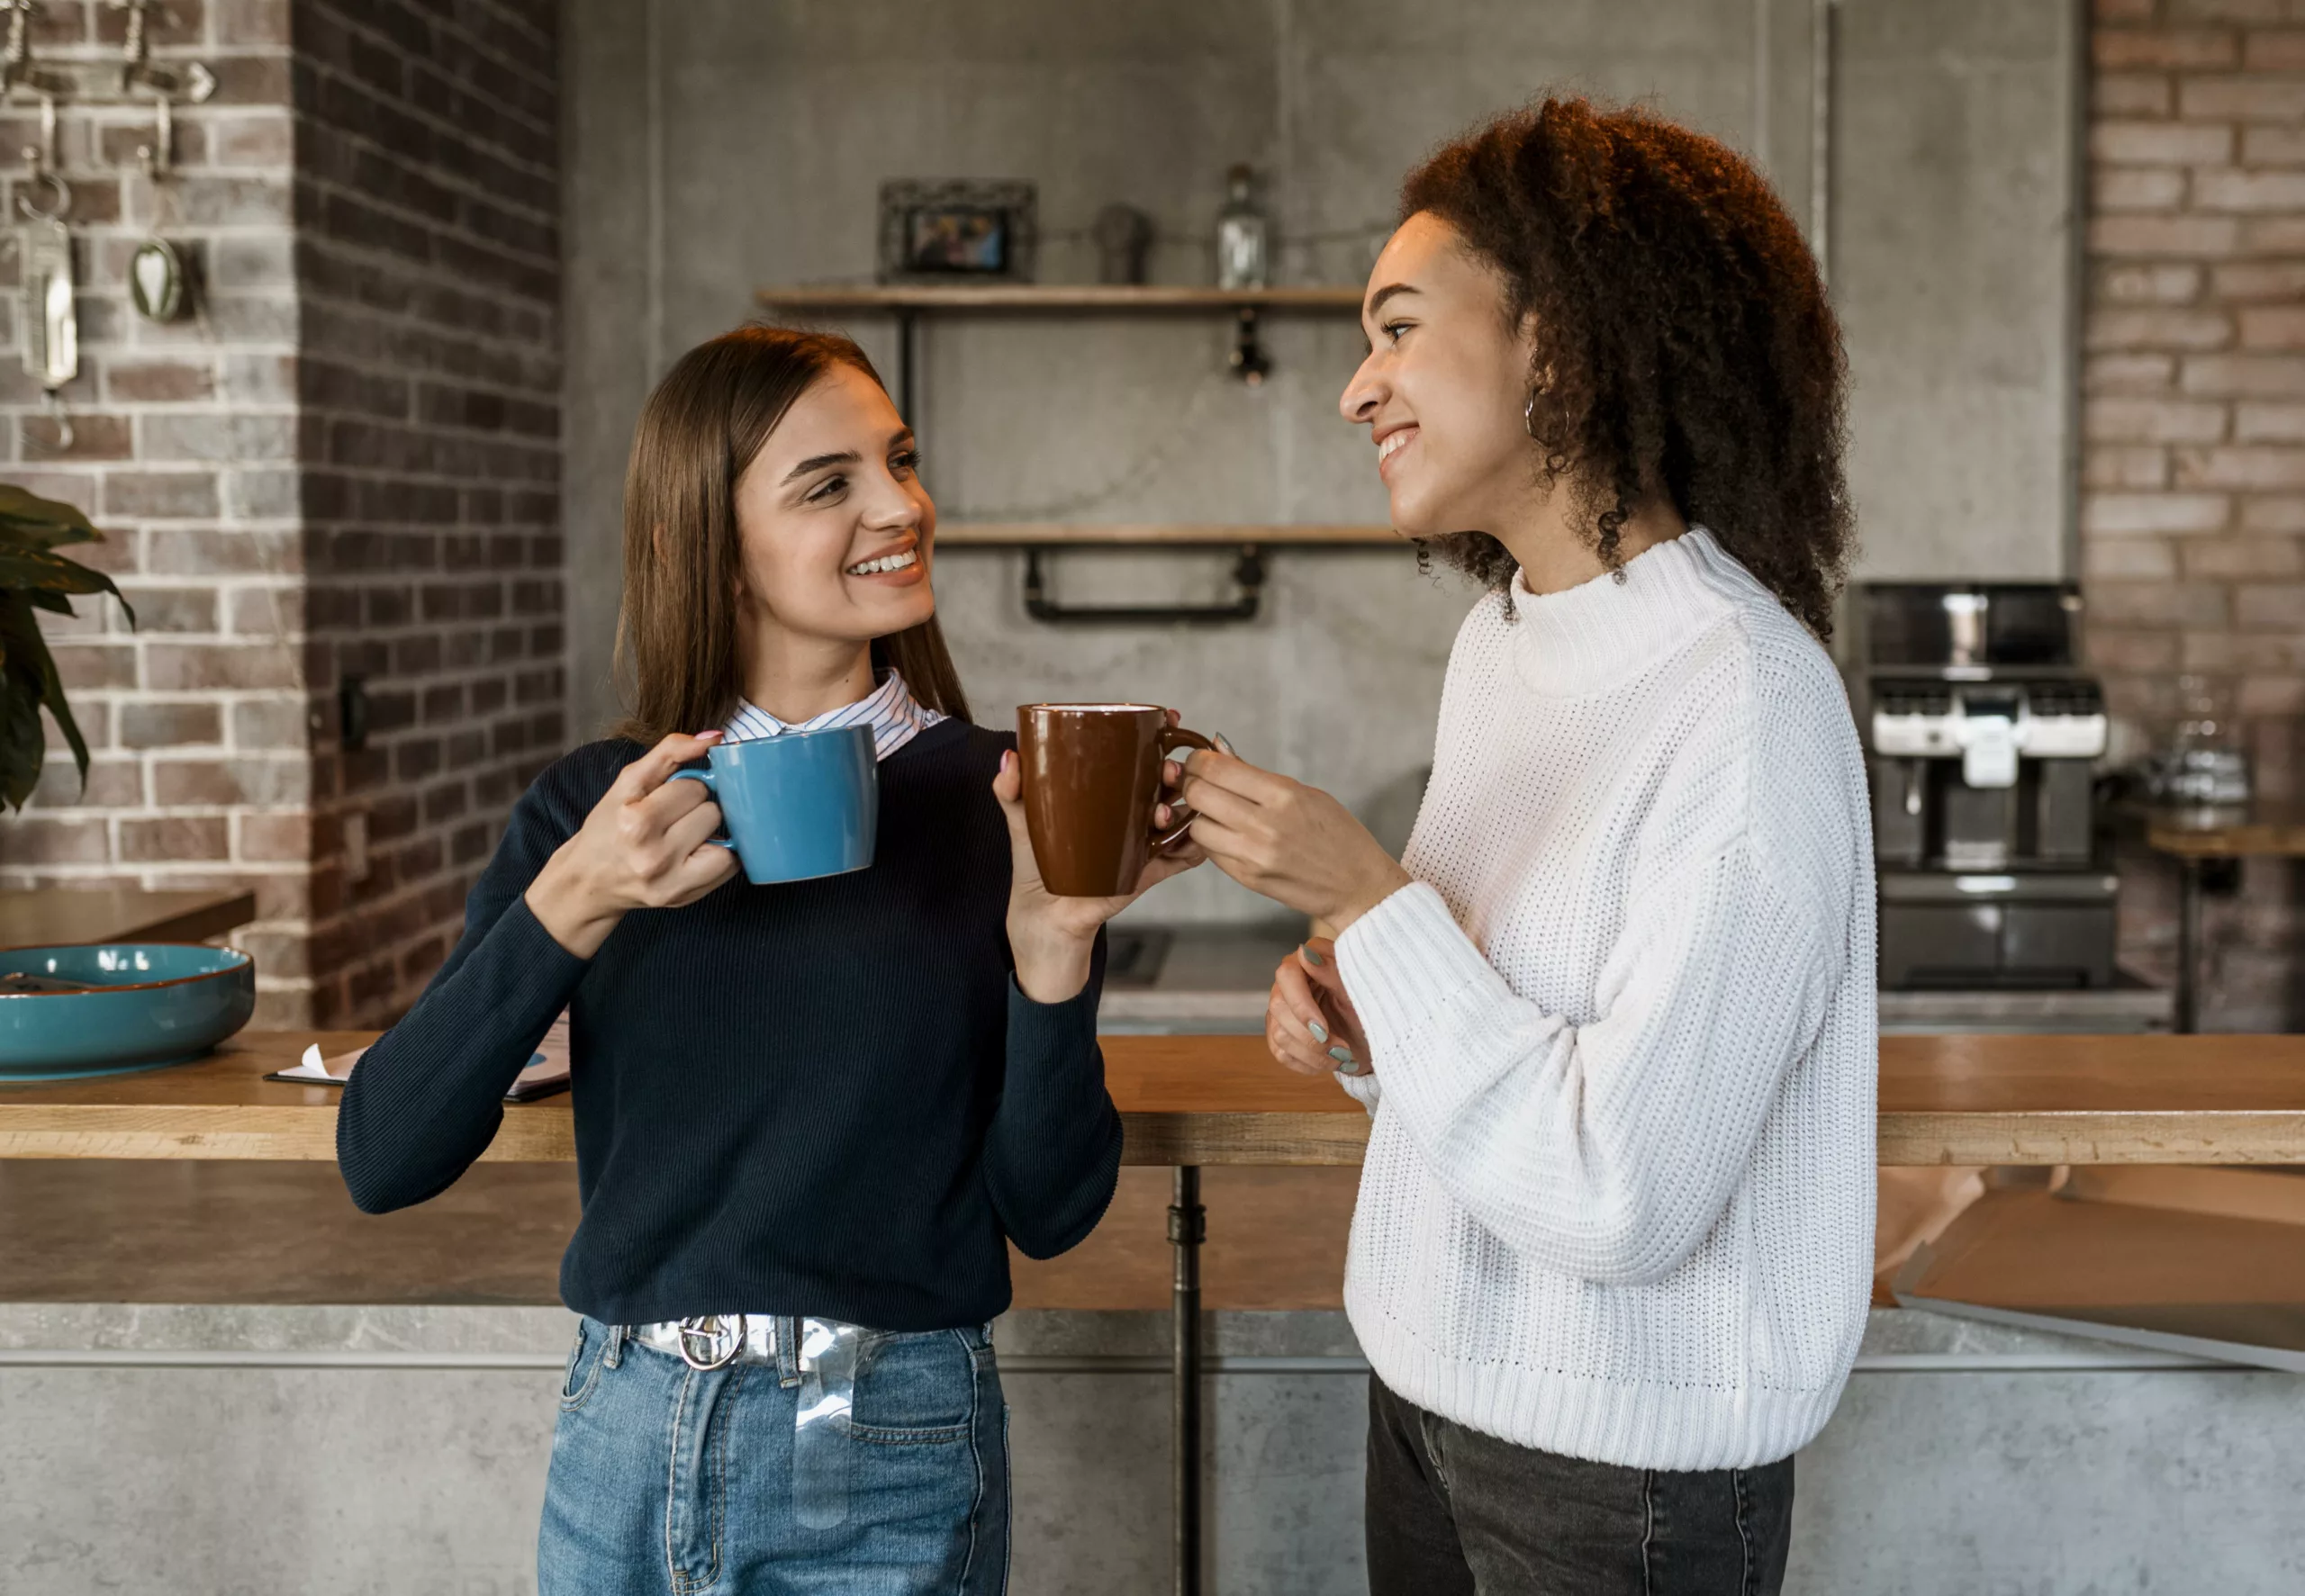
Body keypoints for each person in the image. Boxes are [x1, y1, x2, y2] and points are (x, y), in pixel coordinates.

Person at [336, 325, 1198, 1595]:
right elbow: (384, 1155)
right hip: (620, 1442)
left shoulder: (999, 797)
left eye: (899, 462)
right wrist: (572, 898)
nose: (902, 505)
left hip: (889, 1440)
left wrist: (1054, 940)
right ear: (711, 545)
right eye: (828, 483)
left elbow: (1051, 1209)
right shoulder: (600, 810)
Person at [1173, 100, 1875, 1593]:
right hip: (1426, 1388)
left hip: (1620, 1469)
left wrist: (1371, 898)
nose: (1357, 389)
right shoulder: (1501, 648)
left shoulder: (1746, 703)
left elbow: (1620, 1194)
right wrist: (1365, 994)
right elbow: (1515, 1026)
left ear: (1557, 341)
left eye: (1400, 328)